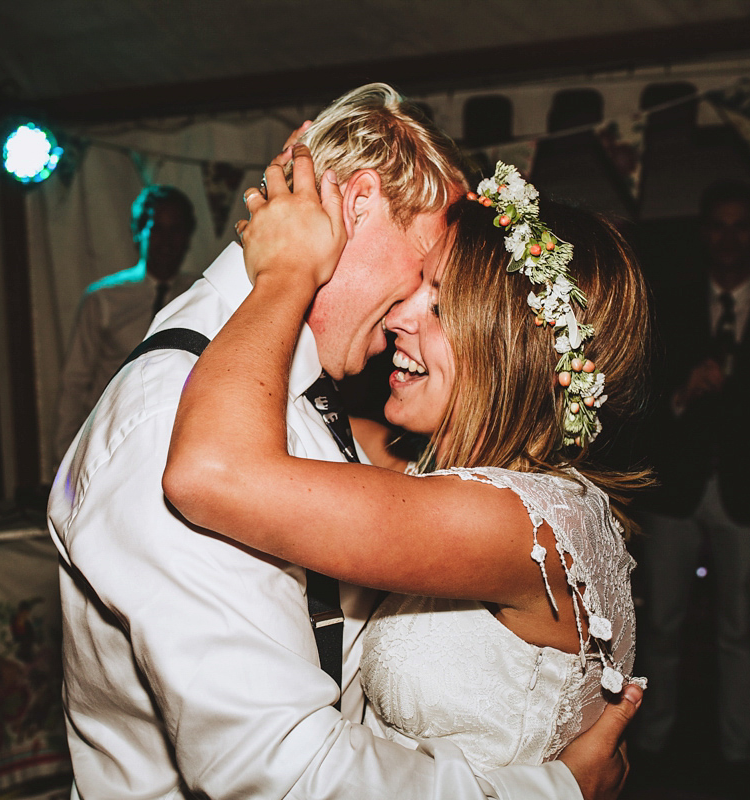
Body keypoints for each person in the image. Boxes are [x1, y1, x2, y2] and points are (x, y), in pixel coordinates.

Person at [48, 84, 639, 800]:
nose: (411, 314)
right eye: (422, 275)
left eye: (440, 297)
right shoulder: (167, 423)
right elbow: (283, 775)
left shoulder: (297, 403)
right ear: (357, 205)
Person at [164, 154, 651, 778]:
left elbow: (210, 472)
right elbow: (306, 426)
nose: (398, 316)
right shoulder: (484, 489)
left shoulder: (510, 523)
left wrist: (285, 272)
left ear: (512, 350)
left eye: (440, 305)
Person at [632, 179, 750, 778]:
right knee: (659, 625)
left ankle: (741, 754)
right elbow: (638, 394)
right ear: (703, 231)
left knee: (741, 630)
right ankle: (652, 744)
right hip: (676, 490)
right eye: (718, 225)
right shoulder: (673, 300)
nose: (728, 238)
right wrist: (680, 397)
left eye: (740, 225)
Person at [52, 185, 197, 468]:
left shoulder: (199, 296)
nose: (166, 241)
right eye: (157, 229)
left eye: (176, 230)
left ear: (187, 237)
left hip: (176, 442)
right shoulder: (105, 298)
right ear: (138, 231)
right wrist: (63, 461)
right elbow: (75, 381)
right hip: (110, 447)